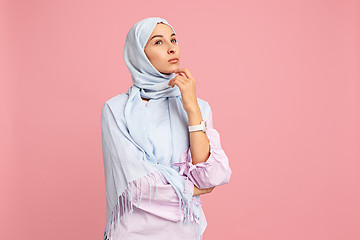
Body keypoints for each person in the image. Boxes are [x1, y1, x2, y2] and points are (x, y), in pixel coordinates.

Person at [101, 17, 232, 240]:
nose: (172, 48)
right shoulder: (116, 109)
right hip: (133, 233)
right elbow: (136, 185)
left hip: (185, 233)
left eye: (173, 40)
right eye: (158, 42)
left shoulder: (200, 107)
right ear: (139, 53)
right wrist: (190, 189)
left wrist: (190, 107)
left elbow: (209, 176)